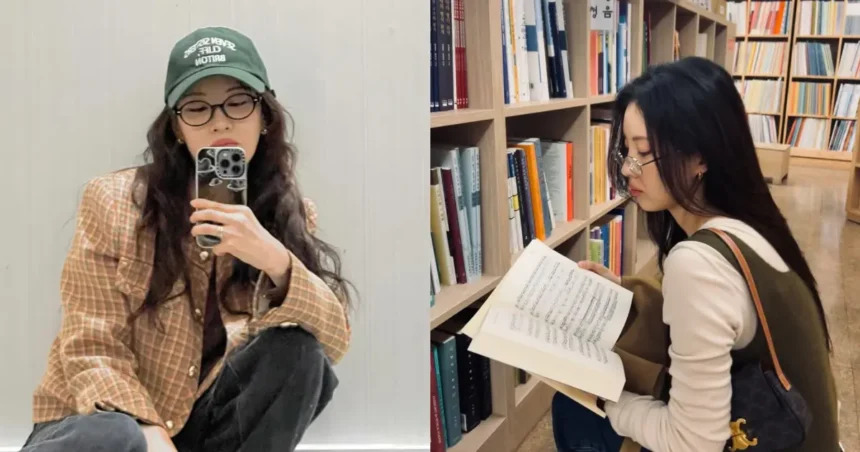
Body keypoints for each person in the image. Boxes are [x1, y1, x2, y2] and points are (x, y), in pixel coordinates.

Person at [21, 26, 353, 452]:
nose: (220, 121)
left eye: (238, 102)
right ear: (177, 128)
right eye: (197, 108)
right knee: (115, 433)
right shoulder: (113, 201)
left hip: (201, 429)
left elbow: (334, 341)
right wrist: (147, 428)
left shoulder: (286, 215)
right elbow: (90, 344)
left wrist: (275, 260)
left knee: (300, 353)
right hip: (97, 424)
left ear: (264, 115)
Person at [552, 57, 839, 451]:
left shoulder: (698, 263)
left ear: (701, 156)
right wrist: (620, 289)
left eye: (644, 151)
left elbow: (692, 443)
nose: (630, 169)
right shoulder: (751, 224)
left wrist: (604, 402)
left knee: (576, 408)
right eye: (624, 151)